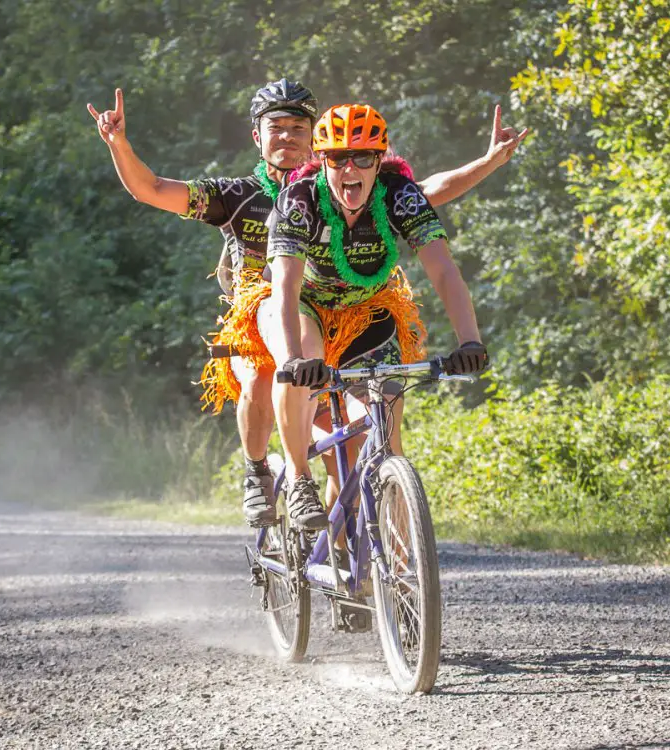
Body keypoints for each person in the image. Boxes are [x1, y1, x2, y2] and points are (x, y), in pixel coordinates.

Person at [87, 81, 526, 527]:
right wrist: (119, 143)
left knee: (360, 453)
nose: (288, 137)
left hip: (353, 312)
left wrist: (489, 162)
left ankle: (366, 560)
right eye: (276, 127)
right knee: (266, 368)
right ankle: (266, 473)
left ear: (317, 138)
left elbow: (429, 197)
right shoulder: (245, 197)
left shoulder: (375, 186)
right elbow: (152, 188)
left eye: (299, 127)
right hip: (275, 313)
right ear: (257, 135)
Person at [258, 104, 489, 530]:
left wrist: (470, 341)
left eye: (363, 157)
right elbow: (286, 286)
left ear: (379, 160)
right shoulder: (300, 199)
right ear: (320, 160)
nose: (351, 169)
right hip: (300, 306)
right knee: (304, 352)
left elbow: (442, 268)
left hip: (366, 311)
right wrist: (292, 357)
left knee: (384, 437)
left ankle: (393, 565)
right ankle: (299, 479)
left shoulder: (399, 194)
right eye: (337, 158)